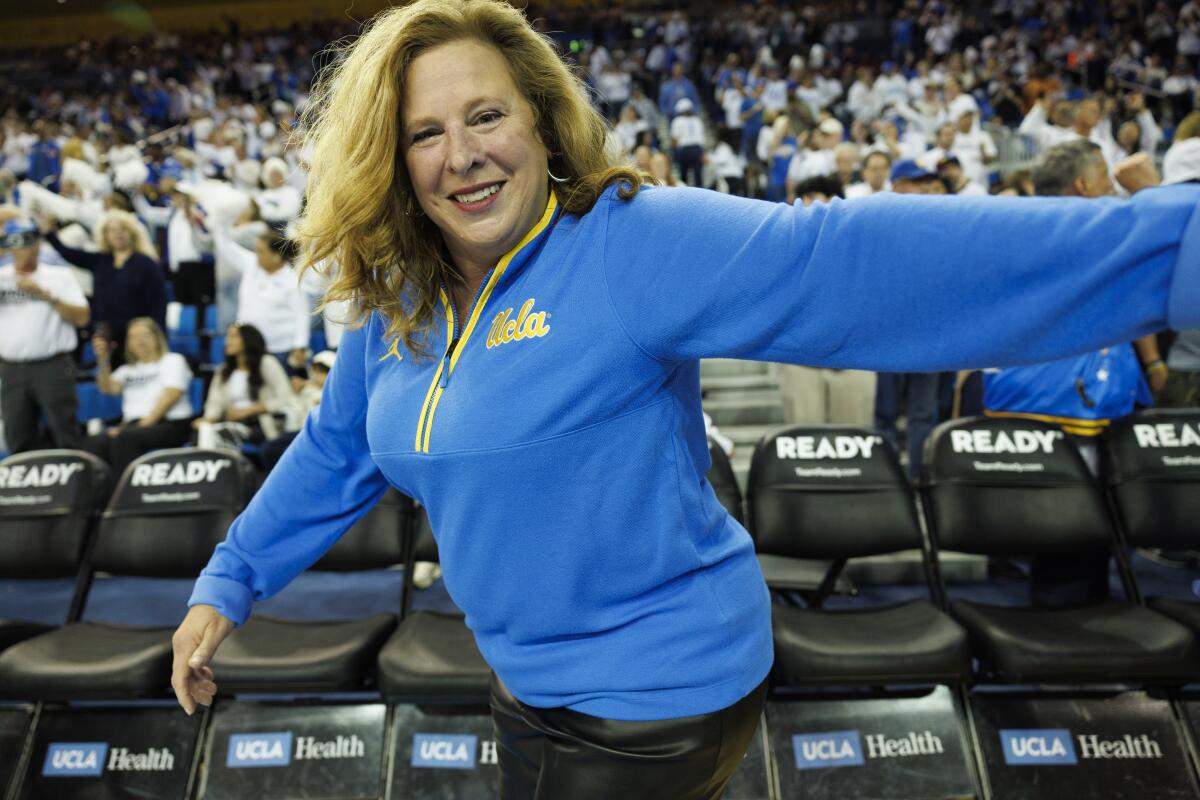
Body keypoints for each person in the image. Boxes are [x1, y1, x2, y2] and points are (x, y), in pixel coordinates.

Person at [170, 2, 1200, 799]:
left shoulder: (627, 241)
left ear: (540, 115)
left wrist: (1166, 251)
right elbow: (338, 445)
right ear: (392, 162)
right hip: (526, 675)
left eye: (486, 114)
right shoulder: (399, 300)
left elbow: (844, 263)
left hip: (659, 688)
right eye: (425, 132)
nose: (462, 152)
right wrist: (232, 579)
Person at [0, 213, 88, 452]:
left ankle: (75, 484)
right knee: (17, 432)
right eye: (12, 242)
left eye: (26, 241)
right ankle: (25, 489)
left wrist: (45, 295)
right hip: (11, 368)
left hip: (52, 366)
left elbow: (82, 317)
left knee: (65, 430)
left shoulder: (58, 276)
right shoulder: (2, 277)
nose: (20, 249)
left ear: (37, 243)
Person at [41, 208, 167, 366]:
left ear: (132, 233)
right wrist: (48, 233)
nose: (118, 234)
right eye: (112, 230)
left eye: (123, 229)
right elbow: (67, 253)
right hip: (107, 335)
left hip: (138, 334)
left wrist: (159, 335)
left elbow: (160, 301)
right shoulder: (101, 260)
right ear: (105, 235)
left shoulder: (146, 263)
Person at [83, 317, 194, 476]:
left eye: (145, 335)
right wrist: (103, 359)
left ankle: (124, 494)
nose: (139, 341)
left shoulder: (172, 360)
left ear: (157, 338)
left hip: (169, 424)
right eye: (133, 337)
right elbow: (108, 388)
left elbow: (171, 395)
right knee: (95, 442)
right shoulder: (127, 370)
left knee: (124, 439)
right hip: (134, 426)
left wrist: (137, 426)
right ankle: (98, 495)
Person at [192, 322, 298, 449]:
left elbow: (286, 399)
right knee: (199, 435)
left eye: (234, 336)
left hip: (260, 423)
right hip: (229, 422)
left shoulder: (267, 363)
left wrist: (248, 411)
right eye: (228, 336)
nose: (228, 341)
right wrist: (207, 421)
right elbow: (215, 403)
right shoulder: (223, 370)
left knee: (224, 435)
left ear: (249, 340)